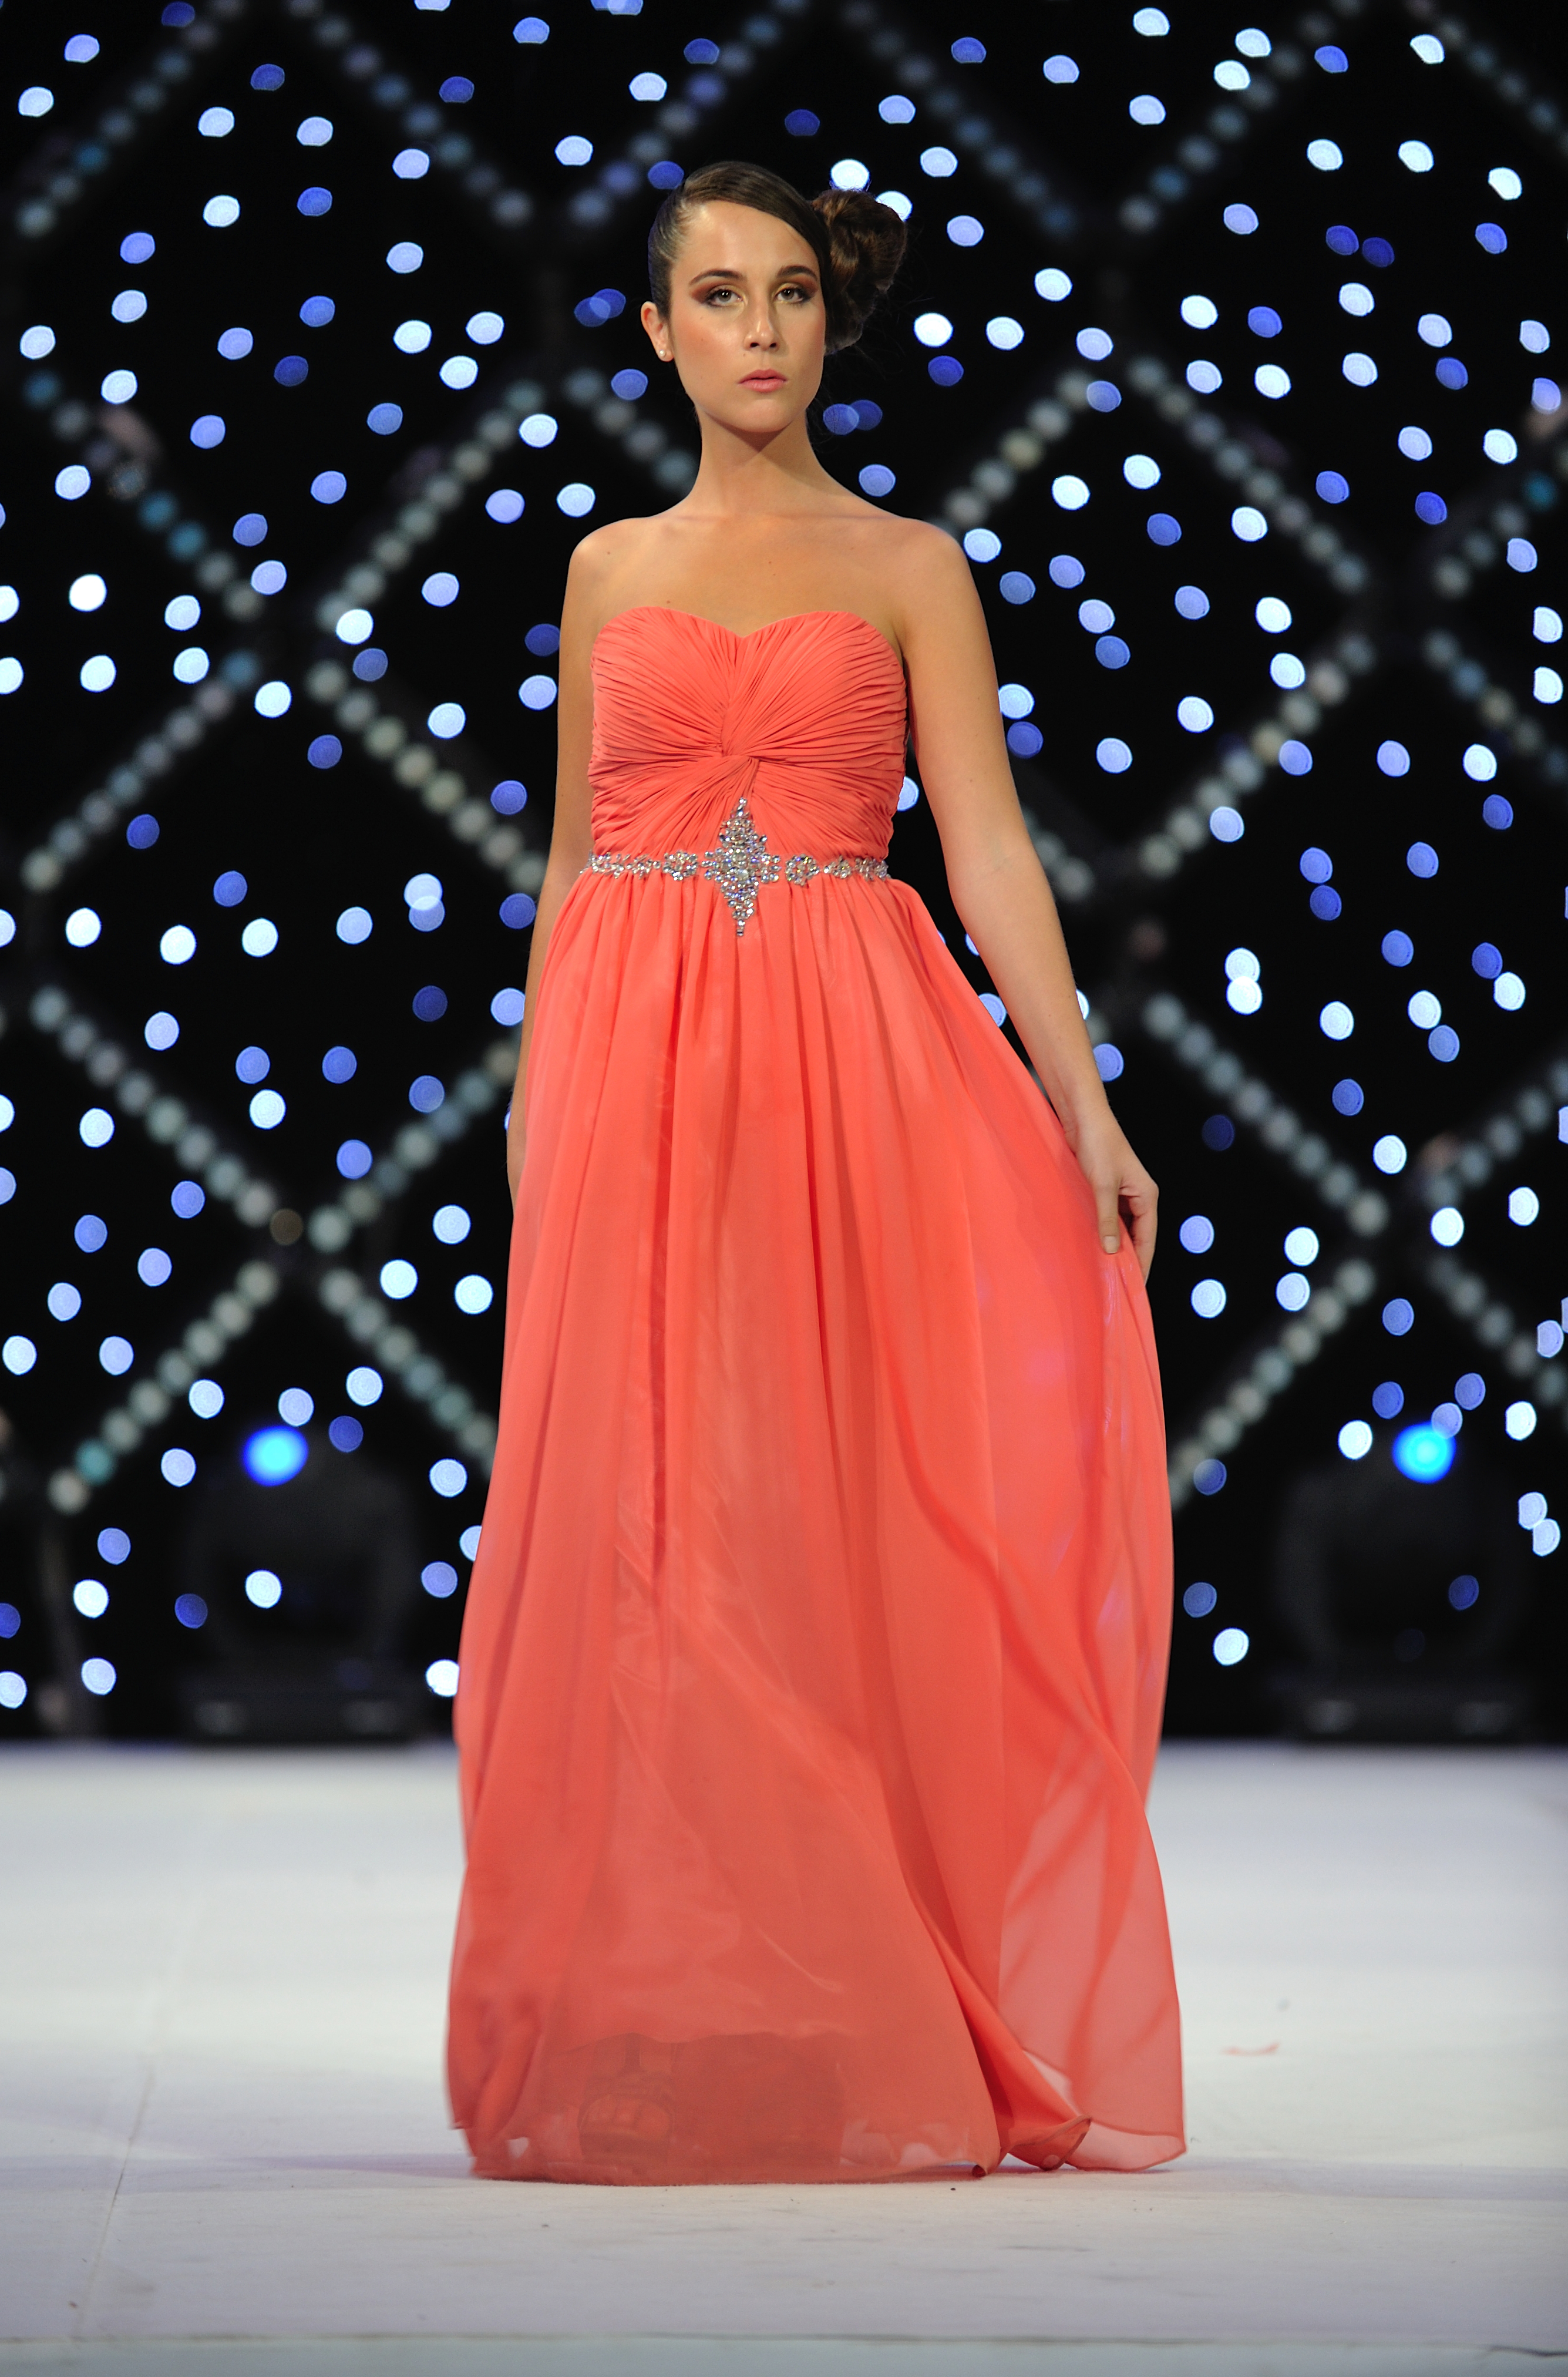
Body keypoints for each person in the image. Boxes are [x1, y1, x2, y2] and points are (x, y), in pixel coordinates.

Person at [448, 160, 1183, 2184]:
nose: (758, 329)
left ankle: (857, 1990)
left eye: (787, 292)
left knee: (831, 1513)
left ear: (828, 320)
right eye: (717, 295)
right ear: (657, 331)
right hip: (635, 1061)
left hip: (851, 1062)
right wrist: (535, 1095)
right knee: (656, 1528)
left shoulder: (909, 564)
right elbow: (577, 861)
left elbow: (990, 844)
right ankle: (670, 2001)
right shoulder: (609, 570)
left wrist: (1086, 1104)